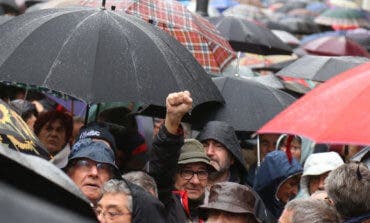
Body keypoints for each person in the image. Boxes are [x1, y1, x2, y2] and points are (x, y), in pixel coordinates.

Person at [149, 91, 211, 222]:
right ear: (173, 174)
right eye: (187, 172)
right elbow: (161, 165)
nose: (195, 181)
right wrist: (172, 121)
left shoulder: (217, 211)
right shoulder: (164, 206)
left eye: (201, 172)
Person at [253, 150, 302, 221]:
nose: (295, 192)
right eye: (291, 184)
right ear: (275, 183)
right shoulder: (252, 212)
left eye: (298, 185)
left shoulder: (287, 210)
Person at [196, 120, 248, 185]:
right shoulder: (184, 191)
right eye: (205, 145)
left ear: (232, 158)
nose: (209, 152)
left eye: (219, 146)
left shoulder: (244, 194)